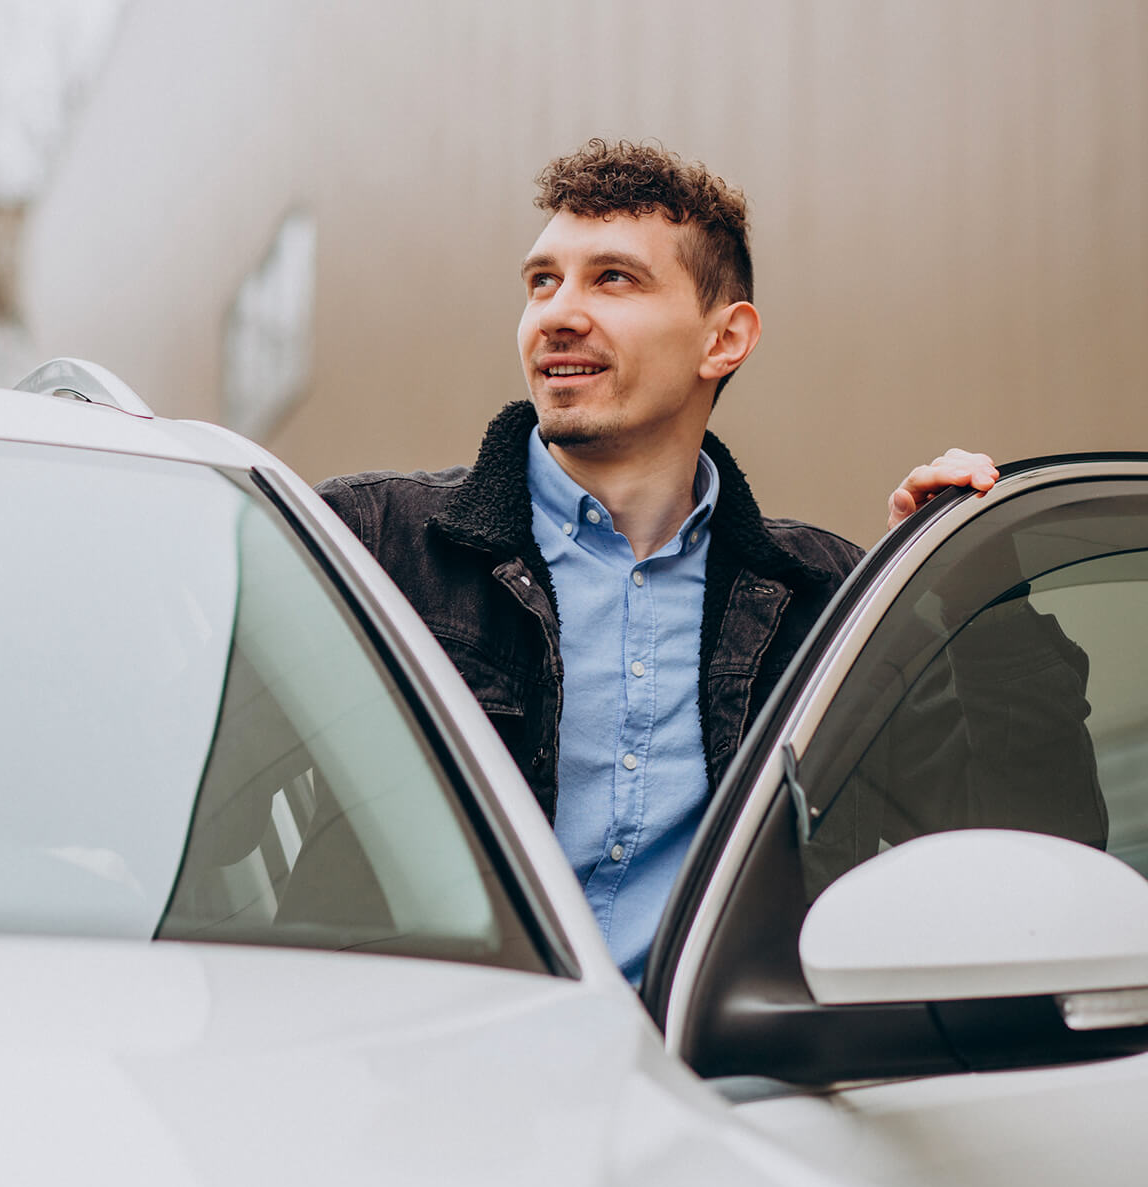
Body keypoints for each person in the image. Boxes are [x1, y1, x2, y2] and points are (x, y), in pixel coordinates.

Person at [316, 140, 1012, 984]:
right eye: (543, 280)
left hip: (707, 1089)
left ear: (725, 338)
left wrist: (958, 578)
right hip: (431, 1070)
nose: (557, 313)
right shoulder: (367, 542)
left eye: (613, 278)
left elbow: (1014, 839)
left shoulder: (829, 599)